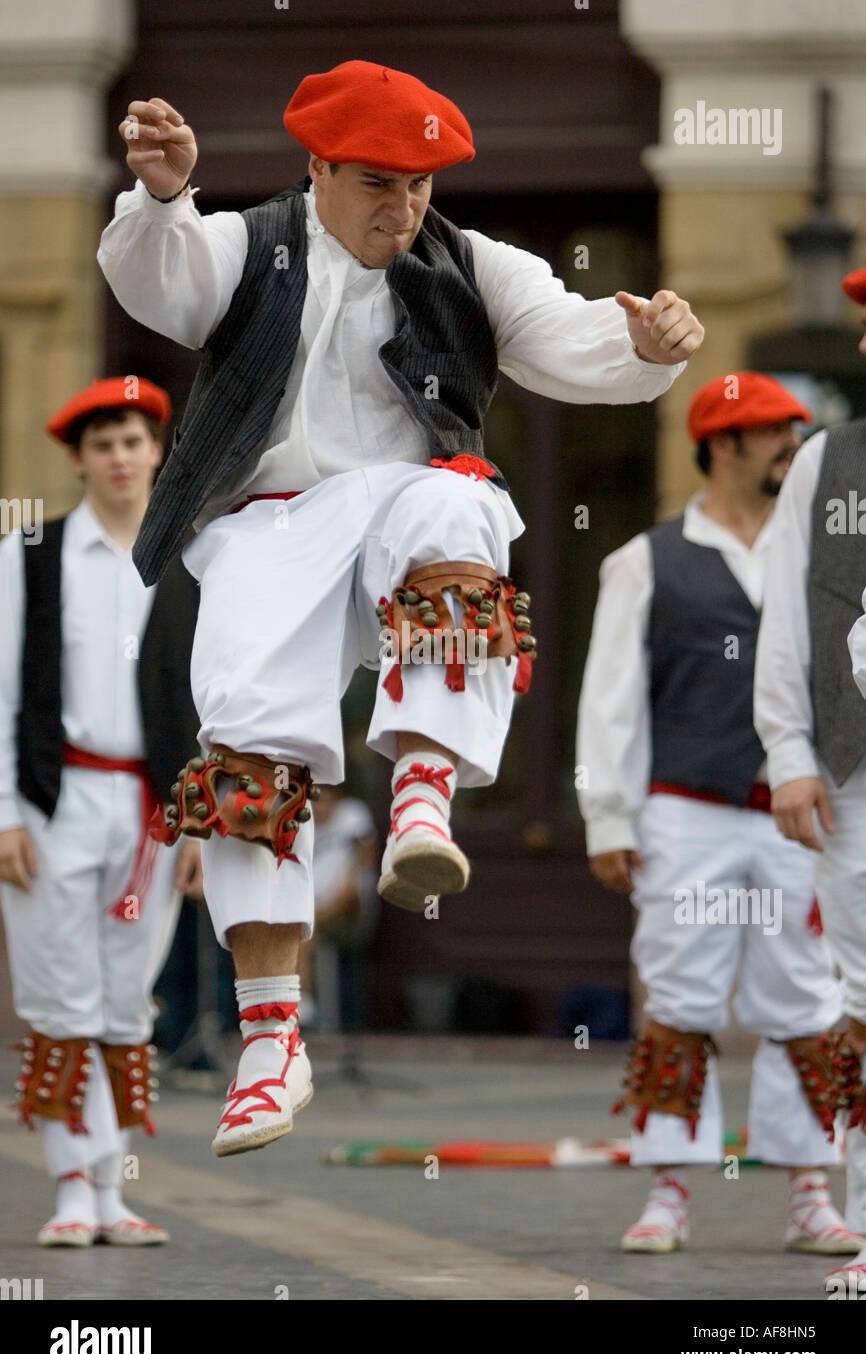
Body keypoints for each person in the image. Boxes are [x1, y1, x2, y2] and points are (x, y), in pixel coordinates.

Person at [97, 59, 704, 1159]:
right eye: (379, 180)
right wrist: (163, 196)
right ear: (318, 166)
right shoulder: (250, 242)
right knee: (244, 748)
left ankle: (423, 789)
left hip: (391, 512)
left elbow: (571, 336)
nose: (404, 205)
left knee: (457, 501)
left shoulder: (468, 261)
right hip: (263, 529)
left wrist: (642, 346)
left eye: (421, 183)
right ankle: (271, 1044)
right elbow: (164, 286)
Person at [577, 373, 859, 1257]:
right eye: (776, 432)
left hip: (801, 810)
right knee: (679, 993)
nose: (794, 445)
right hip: (687, 812)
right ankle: (668, 1190)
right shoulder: (646, 560)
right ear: (723, 443)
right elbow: (611, 700)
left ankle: (812, 1189)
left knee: (807, 997)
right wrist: (610, 817)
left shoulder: (820, 546)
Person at [0, 378, 202, 1247]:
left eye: (133, 440)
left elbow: (208, 698)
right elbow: (4, 688)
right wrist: (6, 809)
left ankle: (114, 1191)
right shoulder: (29, 553)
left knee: (126, 1001)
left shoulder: (187, 559)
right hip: (54, 798)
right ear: (79, 459)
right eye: (103, 443)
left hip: (152, 809)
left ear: (157, 451)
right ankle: (72, 1189)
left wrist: (198, 818)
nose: (121, 457)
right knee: (61, 999)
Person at [758, 265, 866, 1283]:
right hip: (851, 765)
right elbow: (786, 619)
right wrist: (787, 750)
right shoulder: (822, 464)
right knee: (861, 996)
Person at [301, 784, 377, 1030]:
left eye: (325, 800)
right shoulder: (302, 821)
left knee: (301, 932)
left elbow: (364, 862)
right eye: (316, 800)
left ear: (337, 799)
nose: (320, 807)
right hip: (311, 911)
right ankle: (300, 1006)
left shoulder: (353, 814)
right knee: (295, 932)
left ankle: (303, 1007)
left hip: (351, 911)